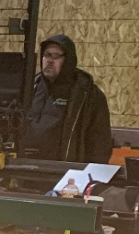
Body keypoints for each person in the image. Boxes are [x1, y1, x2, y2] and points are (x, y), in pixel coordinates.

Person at [20, 34, 113, 164]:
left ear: (68, 60)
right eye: (47, 55)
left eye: (56, 56)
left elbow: (99, 143)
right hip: (25, 168)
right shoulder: (30, 88)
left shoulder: (88, 95)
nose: (50, 60)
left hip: (65, 172)